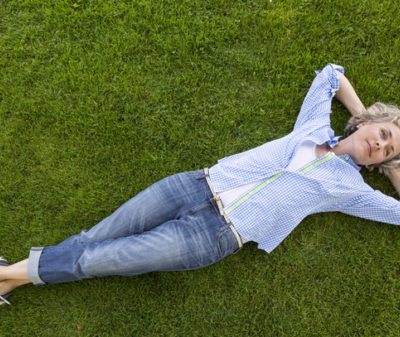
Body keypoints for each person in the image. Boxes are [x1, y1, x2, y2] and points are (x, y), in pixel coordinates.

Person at [2, 63, 400, 306]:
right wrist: (362, 115)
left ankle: (6, 276)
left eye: (385, 152)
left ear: (378, 164)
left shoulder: (350, 189)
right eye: (383, 135)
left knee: (96, 259)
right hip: (191, 185)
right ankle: (9, 280)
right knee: (94, 237)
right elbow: (332, 73)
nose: (379, 145)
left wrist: (394, 167)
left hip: (213, 236)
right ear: (369, 124)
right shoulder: (314, 124)